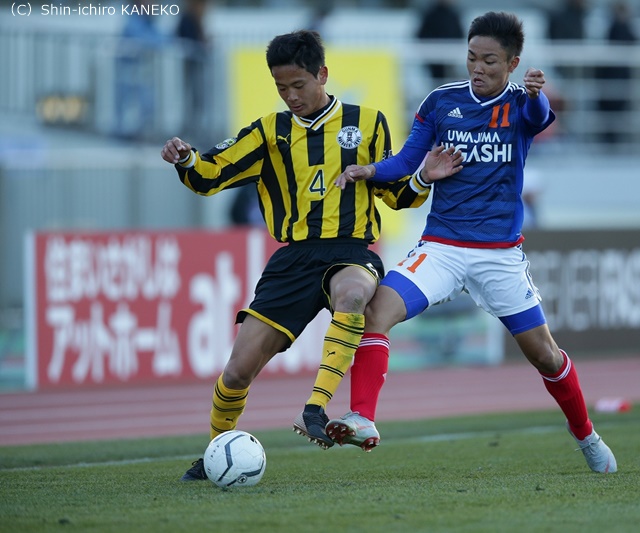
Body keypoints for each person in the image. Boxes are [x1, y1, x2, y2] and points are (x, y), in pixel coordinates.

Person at [161, 30, 461, 481]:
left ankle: (315, 408)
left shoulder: (369, 122)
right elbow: (210, 176)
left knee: (356, 294)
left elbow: (396, 195)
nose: (290, 96)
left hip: (351, 250)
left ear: (321, 74)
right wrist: (186, 159)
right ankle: (215, 452)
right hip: (293, 259)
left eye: (298, 85)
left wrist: (423, 176)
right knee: (238, 371)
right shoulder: (269, 132)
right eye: (281, 88)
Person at [327, 11, 618, 474]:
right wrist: (369, 170)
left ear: (512, 63)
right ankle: (362, 415)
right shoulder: (441, 102)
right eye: (471, 58)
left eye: (488, 60)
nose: (477, 68)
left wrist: (537, 93)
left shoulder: (523, 104)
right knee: (378, 309)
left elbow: (540, 118)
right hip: (442, 246)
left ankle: (585, 434)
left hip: (499, 256)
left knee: (544, 355)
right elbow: (406, 159)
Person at [115, 0, 167, 140]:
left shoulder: (148, 23)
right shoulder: (133, 23)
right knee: (129, 110)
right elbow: (149, 41)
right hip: (130, 76)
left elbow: (161, 39)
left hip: (140, 76)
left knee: (146, 108)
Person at [595, 0, 638, 145]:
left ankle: (613, 140)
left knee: (616, 110)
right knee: (611, 109)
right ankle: (610, 140)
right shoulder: (614, 26)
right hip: (612, 76)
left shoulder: (623, 27)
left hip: (618, 76)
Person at [175, 0, 211, 136]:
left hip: (196, 67)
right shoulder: (188, 19)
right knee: (191, 98)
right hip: (190, 67)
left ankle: (196, 128)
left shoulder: (197, 21)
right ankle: (190, 128)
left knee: (198, 99)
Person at [416, 0, 465, 85]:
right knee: (436, 81)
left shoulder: (453, 15)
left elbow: (459, 35)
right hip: (433, 58)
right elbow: (422, 35)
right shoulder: (430, 14)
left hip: (450, 57)